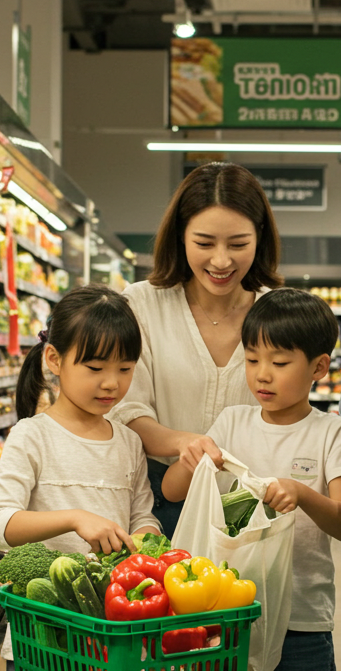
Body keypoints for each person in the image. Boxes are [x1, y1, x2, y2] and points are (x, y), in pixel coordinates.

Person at [163, 288, 341, 671]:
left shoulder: (331, 433)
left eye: (279, 361)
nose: (262, 375)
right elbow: (174, 491)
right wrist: (192, 458)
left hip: (303, 620)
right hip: (231, 616)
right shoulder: (232, 422)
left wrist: (302, 495)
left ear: (318, 367)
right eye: (252, 360)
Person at [0, 285, 163, 671]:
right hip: (41, 644)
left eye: (125, 368)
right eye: (95, 367)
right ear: (55, 360)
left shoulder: (128, 442)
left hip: (114, 641)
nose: (111, 383)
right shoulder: (32, 437)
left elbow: (144, 516)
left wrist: (145, 539)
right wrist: (74, 518)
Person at [112, 162, 285, 537]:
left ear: (259, 238)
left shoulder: (278, 315)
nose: (221, 261)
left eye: (238, 244)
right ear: (180, 237)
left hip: (248, 506)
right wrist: (184, 443)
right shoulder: (141, 305)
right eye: (204, 243)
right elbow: (126, 410)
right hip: (154, 504)